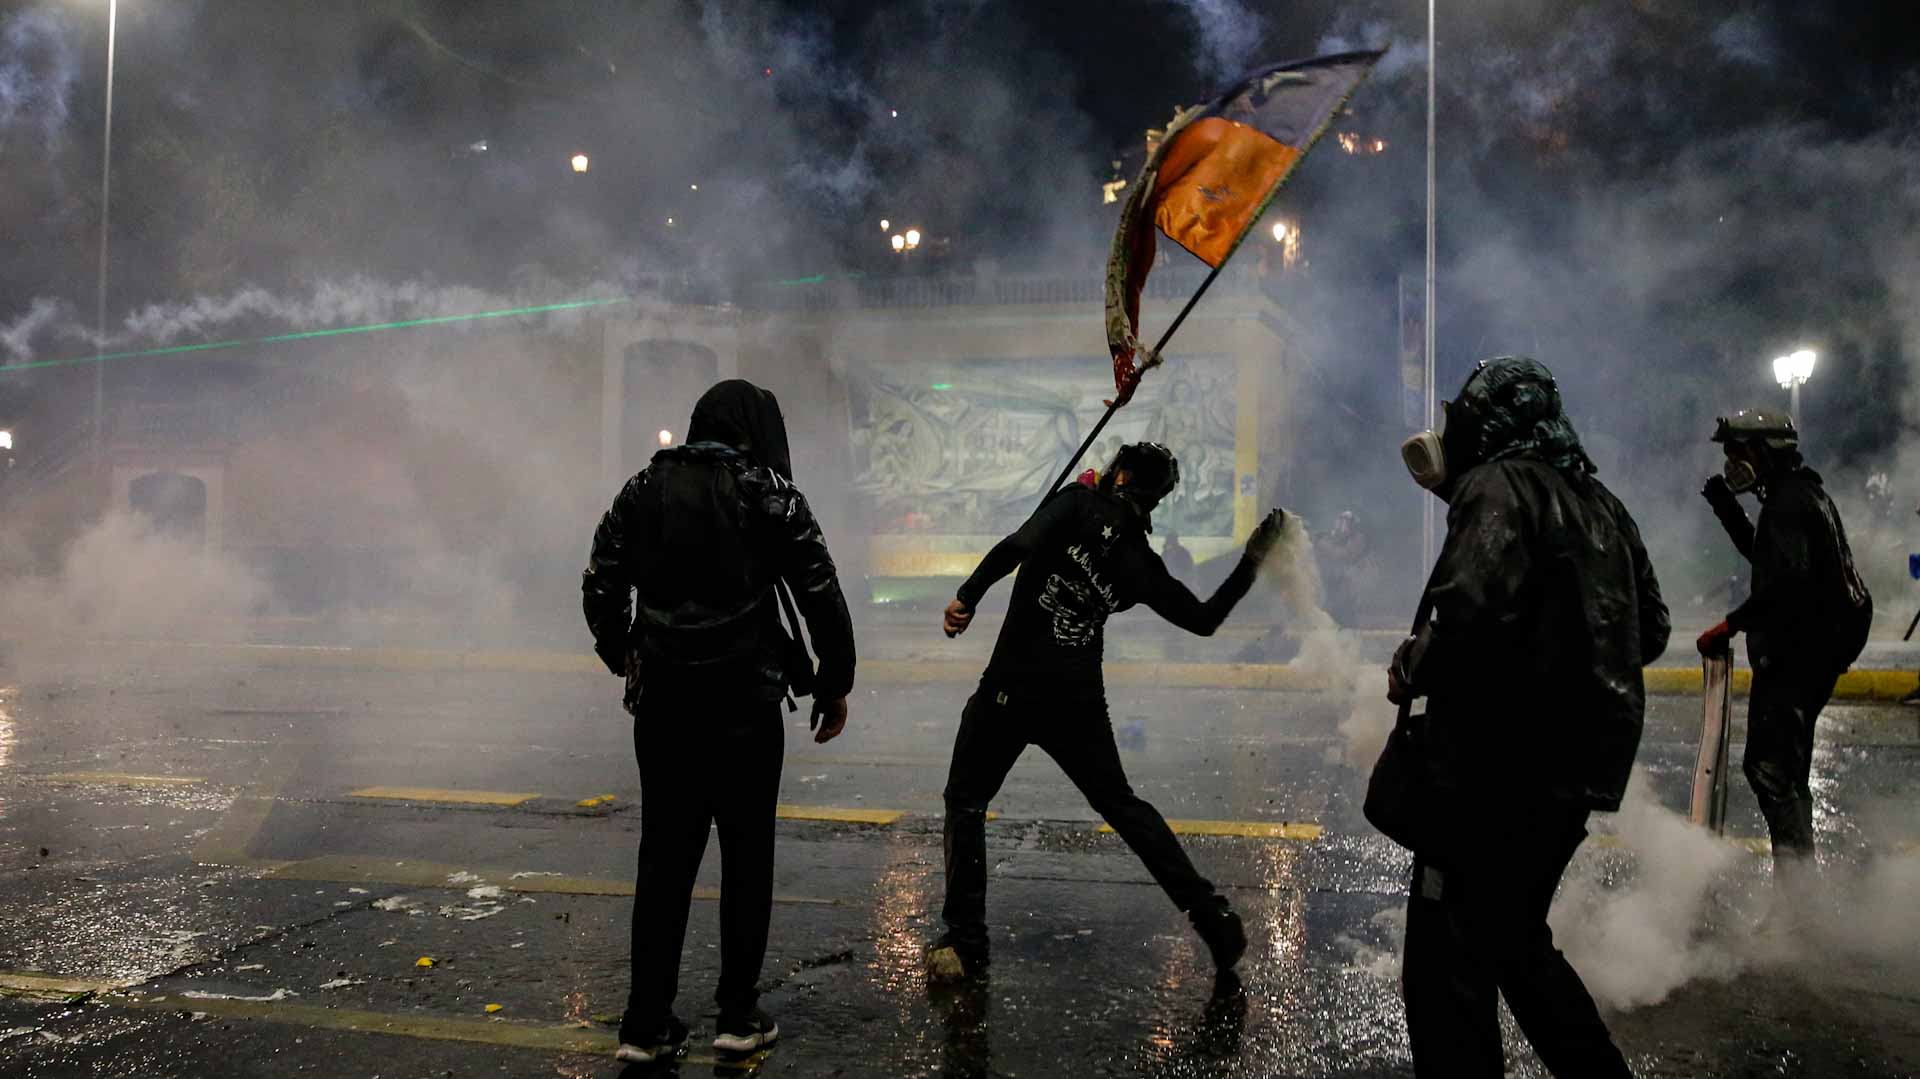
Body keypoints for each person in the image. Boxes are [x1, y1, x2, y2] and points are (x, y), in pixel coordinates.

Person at [1386, 357, 1668, 1078]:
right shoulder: (1603, 503)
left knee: (1446, 964)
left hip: (1490, 771)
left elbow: (1467, 606)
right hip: (1578, 773)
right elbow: (1653, 628)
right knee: (1511, 939)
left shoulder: (1499, 486)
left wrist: (1411, 666)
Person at [927, 441, 1286, 982]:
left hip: (1010, 689)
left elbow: (1017, 544)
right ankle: (1213, 919)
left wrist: (968, 596)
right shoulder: (1141, 562)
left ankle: (967, 942)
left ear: (1119, 476)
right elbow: (1206, 618)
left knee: (966, 800)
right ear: (1155, 499)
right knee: (1122, 806)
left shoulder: (1075, 504)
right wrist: (1253, 559)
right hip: (1076, 701)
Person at [582, 379, 857, 1064]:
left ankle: (645, 1023)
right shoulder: (770, 492)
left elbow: (599, 585)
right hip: (746, 705)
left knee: (665, 859)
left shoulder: (642, 489)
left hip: (665, 709)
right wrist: (833, 683)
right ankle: (737, 1013)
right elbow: (821, 592)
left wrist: (626, 654)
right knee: (746, 855)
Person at [1698, 409, 1872, 870]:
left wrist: (1730, 624)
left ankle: (1796, 907)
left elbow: (1786, 582)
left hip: (1795, 658)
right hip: (1810, 656)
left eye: (1738, 450)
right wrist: (1725, 507)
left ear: (1764, 449)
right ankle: (1799, 897)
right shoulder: (1800, 494)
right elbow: (1766, 557)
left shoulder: (1789, 502)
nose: (1731, 460)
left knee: (1772, 771)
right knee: (1786, 774)